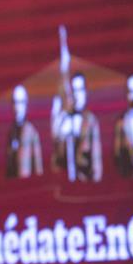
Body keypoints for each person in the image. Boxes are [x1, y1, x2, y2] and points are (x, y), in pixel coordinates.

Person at [51, 26, 102, 182]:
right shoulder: (64, 119)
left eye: (80, 90)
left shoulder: (91, 121)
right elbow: (55, 158)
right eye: (74, 91)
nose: (77, 95)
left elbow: (96, 163)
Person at [6, 84, 43, 178]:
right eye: (15, 102)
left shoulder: (32, 133)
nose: (18, 107)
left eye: (21, 102)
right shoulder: (11, 133)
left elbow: (38, 168)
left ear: (26, 104)